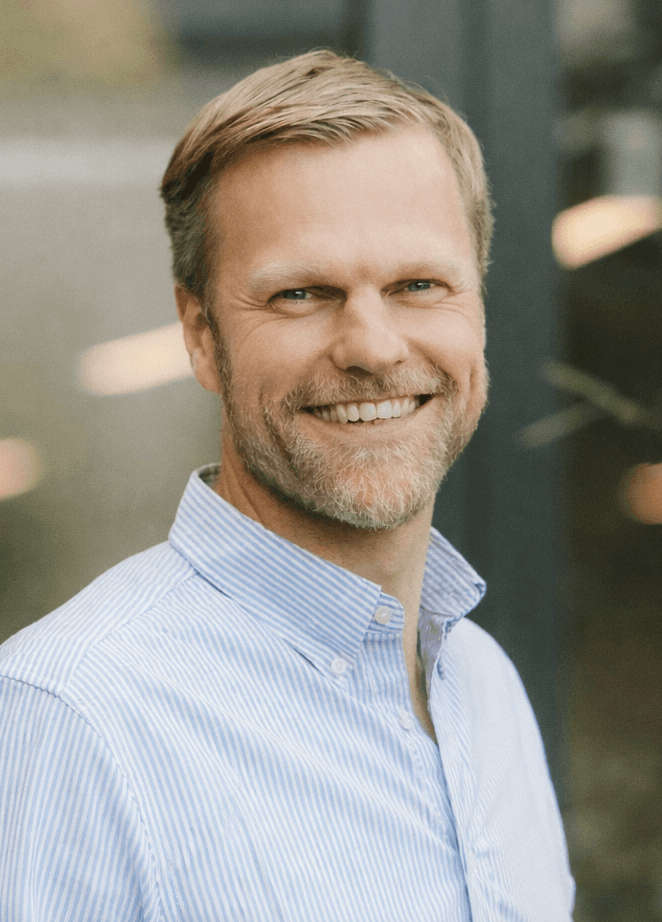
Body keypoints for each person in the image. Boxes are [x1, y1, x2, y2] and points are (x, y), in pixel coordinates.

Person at [0, 50, 574, 920]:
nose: (374, 347)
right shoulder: (70, 718)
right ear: (200, 334)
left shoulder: (484, 688)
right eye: (303, 293)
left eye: (420, 284)